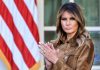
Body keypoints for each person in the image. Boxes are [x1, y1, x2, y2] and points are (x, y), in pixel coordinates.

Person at [39, 2, 94, 70]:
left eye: (72, 19)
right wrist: (49, 66)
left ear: (78, 21)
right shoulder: (55, 45)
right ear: (60, 21)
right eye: (64, 19)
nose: (67, 23)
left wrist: (56, 61)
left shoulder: (86, 44)